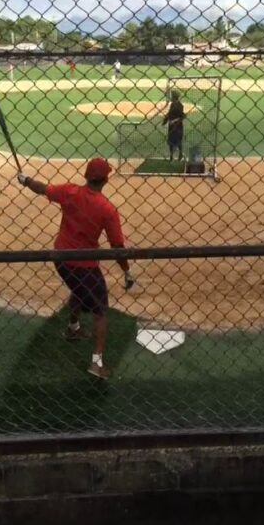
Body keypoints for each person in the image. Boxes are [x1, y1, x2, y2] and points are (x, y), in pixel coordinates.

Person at [16, 158, 136, 380]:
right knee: (100, 311)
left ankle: (73, 327)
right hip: (85, 264)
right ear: (106, 179)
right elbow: (118, 246)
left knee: (78, 288)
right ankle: (96, 363)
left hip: (61, 258)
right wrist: (127, 271)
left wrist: (26, 180)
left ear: (86, 176)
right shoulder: (107, 209)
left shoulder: (70, 191)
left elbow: (43, 189)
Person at [163, 90, 185, 161]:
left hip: (177, 126)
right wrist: (165, 120)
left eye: (172, 96)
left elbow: (182, 116)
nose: (171, 97)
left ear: (174, 97)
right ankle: (171, 156)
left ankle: (180, 154)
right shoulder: (172, 104)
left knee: (178, 141)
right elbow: (170, 113)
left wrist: (175, 122)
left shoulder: (180, 105)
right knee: (170, 141)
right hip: (171, 125)